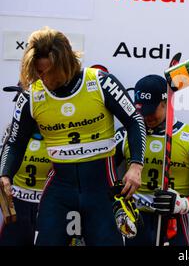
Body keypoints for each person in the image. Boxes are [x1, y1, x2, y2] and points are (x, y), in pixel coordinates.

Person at [0, 27, 146, 246]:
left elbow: (135, 121)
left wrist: (136, 165)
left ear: (66, 62)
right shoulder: (32, 95)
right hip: (60, 190)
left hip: (101, 188)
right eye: (39, 72)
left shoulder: (100, 82)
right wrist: (5, 174)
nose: (43, 77)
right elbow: (15, 141)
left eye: (48, 71)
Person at [114, 74, 189, 246]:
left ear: (166, 104)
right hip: (132, 221)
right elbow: (102, 173)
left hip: (171, 224)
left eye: (151, 111)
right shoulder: (126, 134)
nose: (146, 117)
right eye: (141, 111)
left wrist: (183, 204)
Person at [0, 85, 52, 246]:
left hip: (48, 205)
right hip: (17, 203)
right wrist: (7, 211)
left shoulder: (55, 131)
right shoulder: (12, 131)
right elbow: (3, 176)